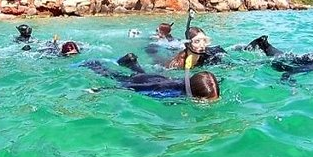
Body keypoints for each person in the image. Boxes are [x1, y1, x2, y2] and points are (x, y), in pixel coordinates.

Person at [81, 57, 220, 100]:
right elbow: (135, 89)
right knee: (114, 76)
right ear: (194, 94)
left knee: (139, 72)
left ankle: (131, 62)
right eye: (207, 100)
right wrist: (101, 89)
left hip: (155, 78)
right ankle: (93, 64)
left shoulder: (188, 84)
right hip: (144, 82)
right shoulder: (168, 91)